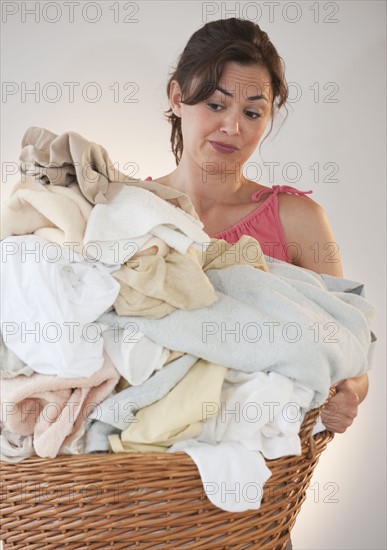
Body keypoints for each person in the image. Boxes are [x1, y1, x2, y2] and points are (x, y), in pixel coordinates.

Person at [146, 17, 368, 434]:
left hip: (260, 458)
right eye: (216, 104)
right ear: (177, 96)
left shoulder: (297, 220)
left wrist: (350, 392)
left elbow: (348, 349)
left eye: (252, 112)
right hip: (146, 463)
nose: (233, 127)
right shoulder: (133, 211)